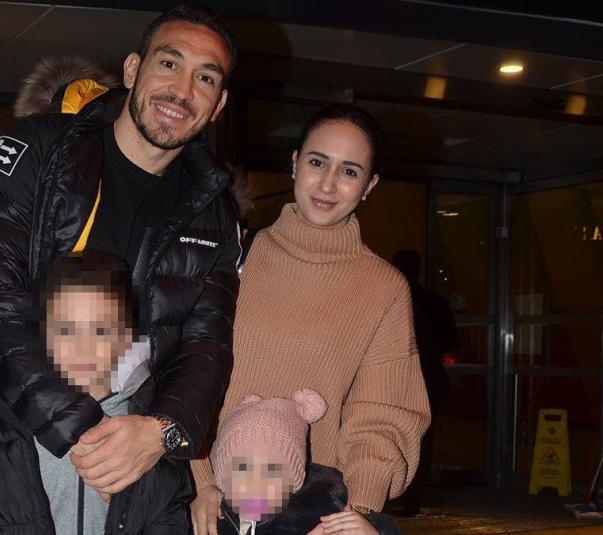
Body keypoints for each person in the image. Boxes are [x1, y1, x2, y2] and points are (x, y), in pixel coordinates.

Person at [0, 3, 241, 507]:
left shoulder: (215, 208)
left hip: (127, 455)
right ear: (132, 69)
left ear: (219, 103)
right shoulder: (37, 150)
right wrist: (86, 429)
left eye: (205, 78)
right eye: (169, 63)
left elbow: (206, 343)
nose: (182, 90)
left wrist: (161, 431)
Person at [190, 104, 431, 535]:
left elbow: (382, 414)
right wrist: (200, 480)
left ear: (370, 185)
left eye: (349, 171)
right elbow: (187, 374)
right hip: (212, 503)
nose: (328, 184)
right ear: (295, 162)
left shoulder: (383, 288)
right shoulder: (233, 256)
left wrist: (357, 510)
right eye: (318, 163)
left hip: (312, 511)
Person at [0, 252, 193, 534]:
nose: (83, 346)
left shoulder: (148, 438)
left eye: (100, 329)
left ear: (125, 338)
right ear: (40, 336)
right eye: (66, 329)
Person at [211, 391, 399, 535]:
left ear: (292, 478)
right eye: (242, 469)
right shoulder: (219, 517)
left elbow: (379, 525)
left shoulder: (319, 504)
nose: (255, 484)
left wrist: (373, 529)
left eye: (271, 470)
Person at [391, 249, 459, 516]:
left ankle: (385, 492)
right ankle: (413, 499)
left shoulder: (388, 298)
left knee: (389, 434)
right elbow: (451, 340)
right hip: (428, 378)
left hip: (393, 380)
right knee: (423, 441)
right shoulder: (435, 302)